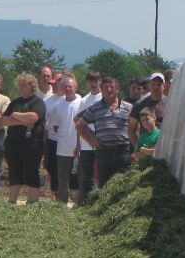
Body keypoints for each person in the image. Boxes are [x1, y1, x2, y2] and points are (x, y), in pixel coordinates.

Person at [75, 77, 133, 190]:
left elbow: (136, 127)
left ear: (117, 89)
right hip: (104, 151)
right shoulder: (95, 108)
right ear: (101, 89)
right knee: (104, 185)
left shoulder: (128, 107)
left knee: (124, 183)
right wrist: (91, 140)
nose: (109, 90)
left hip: (123, 150)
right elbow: (80, 125)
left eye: (112, 87)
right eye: (106, 87)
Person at [0, 73, 47, 204]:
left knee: (31, 172)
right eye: (19, 85)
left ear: (31, 86)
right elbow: (4, 120)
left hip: (31, 144)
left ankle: (32, 203)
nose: (21, 88)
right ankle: (11, 201)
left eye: (24, 85)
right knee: (14, 172)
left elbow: (34, 117)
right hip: (13, 143)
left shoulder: (37, 101)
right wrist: (22, 121)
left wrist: (15, 115)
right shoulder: (15, 102)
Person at [52, 74, 83, 206]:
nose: (68, 88)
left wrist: (79, 143)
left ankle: (80, 204)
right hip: (63, 148)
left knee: (81, 178)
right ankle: (61, 206)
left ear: (75, 87)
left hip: (82, 147)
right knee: (62, 179)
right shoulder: (58, 106)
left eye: (70, 86)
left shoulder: (83, 103)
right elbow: (55, 126)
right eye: (65, 86)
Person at [76, 70, 102, 206]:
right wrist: (79, 144)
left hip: (101, 143)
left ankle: (99, 203)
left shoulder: (104, 98)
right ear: (87, 82)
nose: (93, 83)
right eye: (91, 81)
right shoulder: (84, 100)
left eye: (96, 80)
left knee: (101, 176)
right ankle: (86, 204)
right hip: (86, 145)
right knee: (87, 177)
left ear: (100, 81)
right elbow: (77, 121)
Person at [127, 72, 166, 148]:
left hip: (165, 147)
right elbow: (131, 129)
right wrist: (138, 147)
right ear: (149, 86)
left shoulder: (171, 102)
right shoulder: (139, 104)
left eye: (158, 84)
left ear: (164, 86)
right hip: (146, 147)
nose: (156, 87)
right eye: (153, 84)